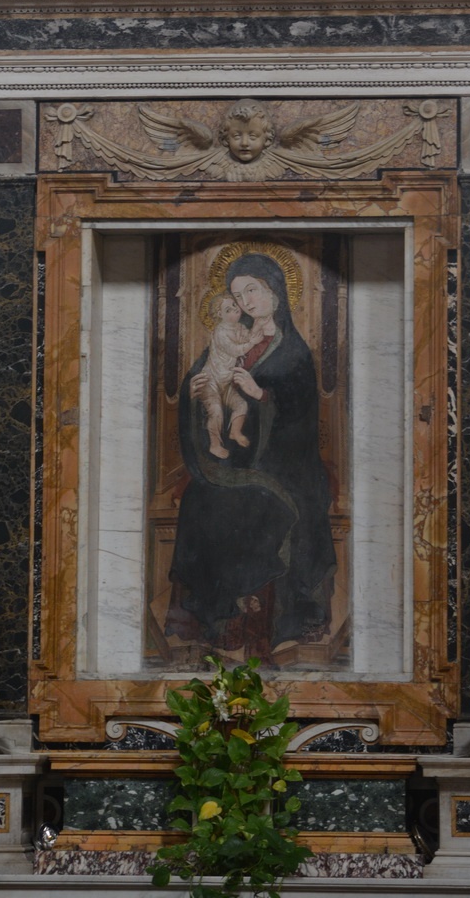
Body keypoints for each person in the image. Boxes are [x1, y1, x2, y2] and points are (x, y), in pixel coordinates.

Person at [167, 250, 337, 662]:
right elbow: (203, 378)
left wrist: (261, 395)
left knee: (255, 505)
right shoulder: (230, 336)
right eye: (238, 295)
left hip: (285, 466)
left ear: (275, 291)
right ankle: (215, 623)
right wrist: (195, 390)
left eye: (252, 290)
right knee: (200, 499)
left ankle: (259, 626)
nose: (246, 302)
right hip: (235, 461)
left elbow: (301, 415)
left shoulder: (293, 349)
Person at [201, 291, 267, 459]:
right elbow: (235, 350)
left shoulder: (239, 327)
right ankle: (215, 445)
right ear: (220, 315)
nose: (235, 310)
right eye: (228, 310)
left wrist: (257, 327)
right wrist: (251, 342)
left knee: (241, 405)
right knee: (216, 411)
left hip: (226, 381)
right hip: (211, 381)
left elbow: (248, 337)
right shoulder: (220, 332)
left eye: (234, 306)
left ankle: (235, 432)